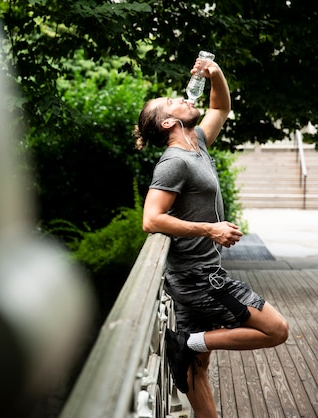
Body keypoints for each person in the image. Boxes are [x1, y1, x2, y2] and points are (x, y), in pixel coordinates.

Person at [132, 56, 289, 417]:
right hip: (198, 277)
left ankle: (188, 349)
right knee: (276, 330)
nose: (182, 98)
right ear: (168, 122)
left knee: (196, 368)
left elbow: (220, 105)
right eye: (172, 103)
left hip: (196, 273)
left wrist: (215, 73)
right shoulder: (174, 161)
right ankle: (185, 341)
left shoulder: (197, 143)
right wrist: (210, 228)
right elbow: (151, 219)